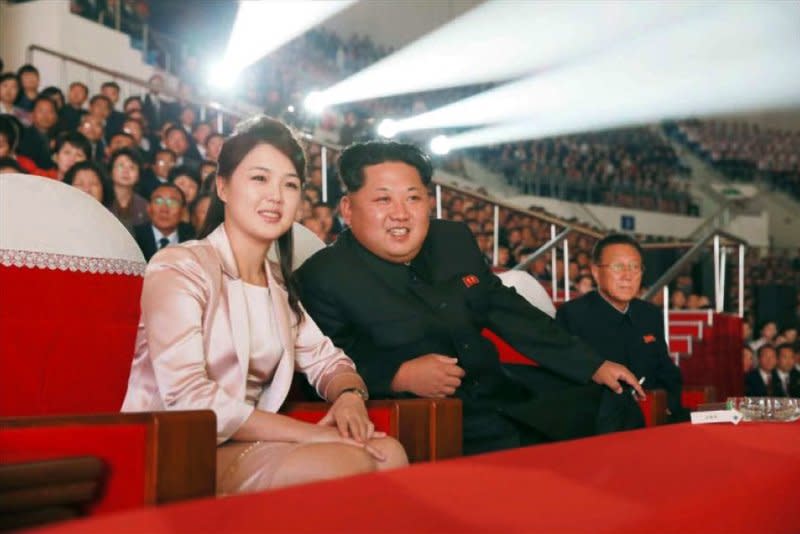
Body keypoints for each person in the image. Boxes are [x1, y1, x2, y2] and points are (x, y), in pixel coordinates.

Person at [296, 140, 644, 455]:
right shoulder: (322, 277)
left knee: (610, 401)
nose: (401, 213)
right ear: (348, 208)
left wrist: (592, 364)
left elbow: (506, 309)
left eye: (413, 197)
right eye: (383, 199)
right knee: (519, 447)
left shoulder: (452, 239)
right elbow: (318, 369)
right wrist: (397, 375)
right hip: (428, 414)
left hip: (497, 387)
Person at [122, 116, 407, 495]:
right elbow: (190, 399)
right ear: (222, 186)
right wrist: (309, 437)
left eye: (289, 184)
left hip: (244, 443)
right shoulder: (180, 266)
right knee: (347, 462)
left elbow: (329, 362)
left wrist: (349, 397)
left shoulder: (277, 284)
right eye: (259, 179)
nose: (276, 195)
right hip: (177, 448)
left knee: (391, 454)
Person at [556, 234, 689, 422]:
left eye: (635, 267)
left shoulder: (649, 314)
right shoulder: (573, 315)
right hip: (600, 423)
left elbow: (666, 372)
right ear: (596, 272)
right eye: (618, 267)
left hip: (651, 417)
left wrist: (667, 406)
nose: (627, 276)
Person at [133, 183, 195, 261]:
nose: (164, 210)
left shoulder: (193, 242)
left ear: (183, 211)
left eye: (172, 203)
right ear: (148, 208)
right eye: (158, 201)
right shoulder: (133, 237)